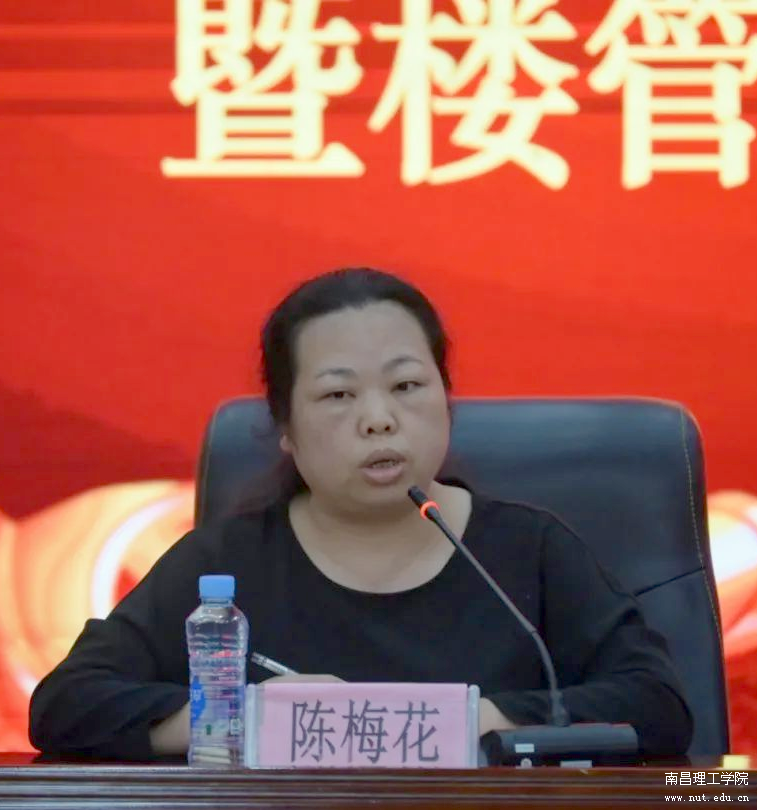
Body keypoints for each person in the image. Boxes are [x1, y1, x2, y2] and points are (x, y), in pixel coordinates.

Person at [29, 267, 693, 761]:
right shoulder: (226, 563)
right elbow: (67, 706)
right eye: (338, 395)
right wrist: (251, 719)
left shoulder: (531, 552)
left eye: (406, 386)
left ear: (445, 399)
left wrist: (466, 721)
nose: (379, 419)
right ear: (285, 427)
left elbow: (657, 706)